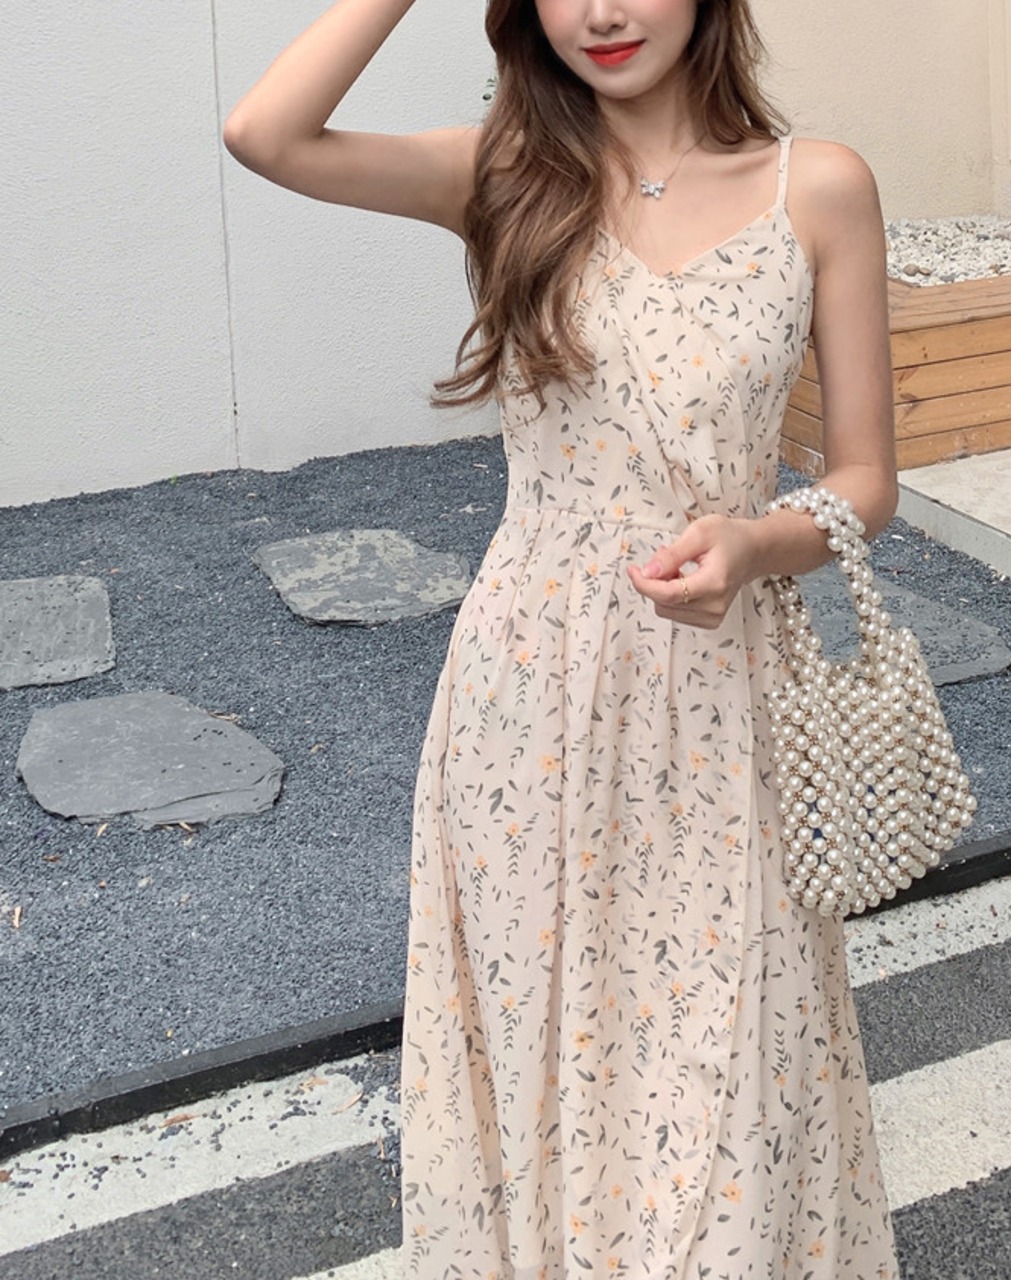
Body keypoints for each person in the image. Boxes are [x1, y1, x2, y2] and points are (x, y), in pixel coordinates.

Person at [224, 1, 899, 1275]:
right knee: (548, 1046)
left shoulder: (817, 188)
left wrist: (757, 543)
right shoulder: (502, 176)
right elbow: (266, 132)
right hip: (524, 700)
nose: (599, 11)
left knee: (735, 1061)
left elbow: (865, 479)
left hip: (724, 685)